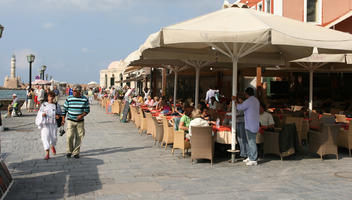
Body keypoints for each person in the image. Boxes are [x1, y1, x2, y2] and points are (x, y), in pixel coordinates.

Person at [62, 84, 90, 159]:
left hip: (80, 121)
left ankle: (76, 152)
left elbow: (87, 110)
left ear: (79, 92)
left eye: (75, 91)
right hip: (70, 120)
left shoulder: (85, 99)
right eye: (73, 91)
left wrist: (81, 115)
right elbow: (64, 109)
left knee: (79, 137)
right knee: (69, 136)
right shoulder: (69, 98)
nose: (73, 92)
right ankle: (69, 151)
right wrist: (63, 119)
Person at [234, 87, 260, 166]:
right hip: (253, 123)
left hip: (250, 124)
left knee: (251, 142)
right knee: (250, 142)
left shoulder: (249, 101)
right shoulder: (256, 100)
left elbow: (240, 107)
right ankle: (250, 156)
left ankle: (254, 159)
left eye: (245, 93)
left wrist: (234, 101)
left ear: (247, 94)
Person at [35, 91, 61, 160]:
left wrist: (58, 116)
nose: (51, 98)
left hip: (53, 124)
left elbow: (59, 114)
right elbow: (39, 113)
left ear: (54, 97)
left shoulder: (56, 105)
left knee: (54, 138)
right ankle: (47, 153)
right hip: (45, 124)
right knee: (45, 138)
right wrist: (42, 115)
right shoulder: (44, 105)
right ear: (47, 97)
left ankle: (52, 145)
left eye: (52, 96)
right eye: (50, 96)